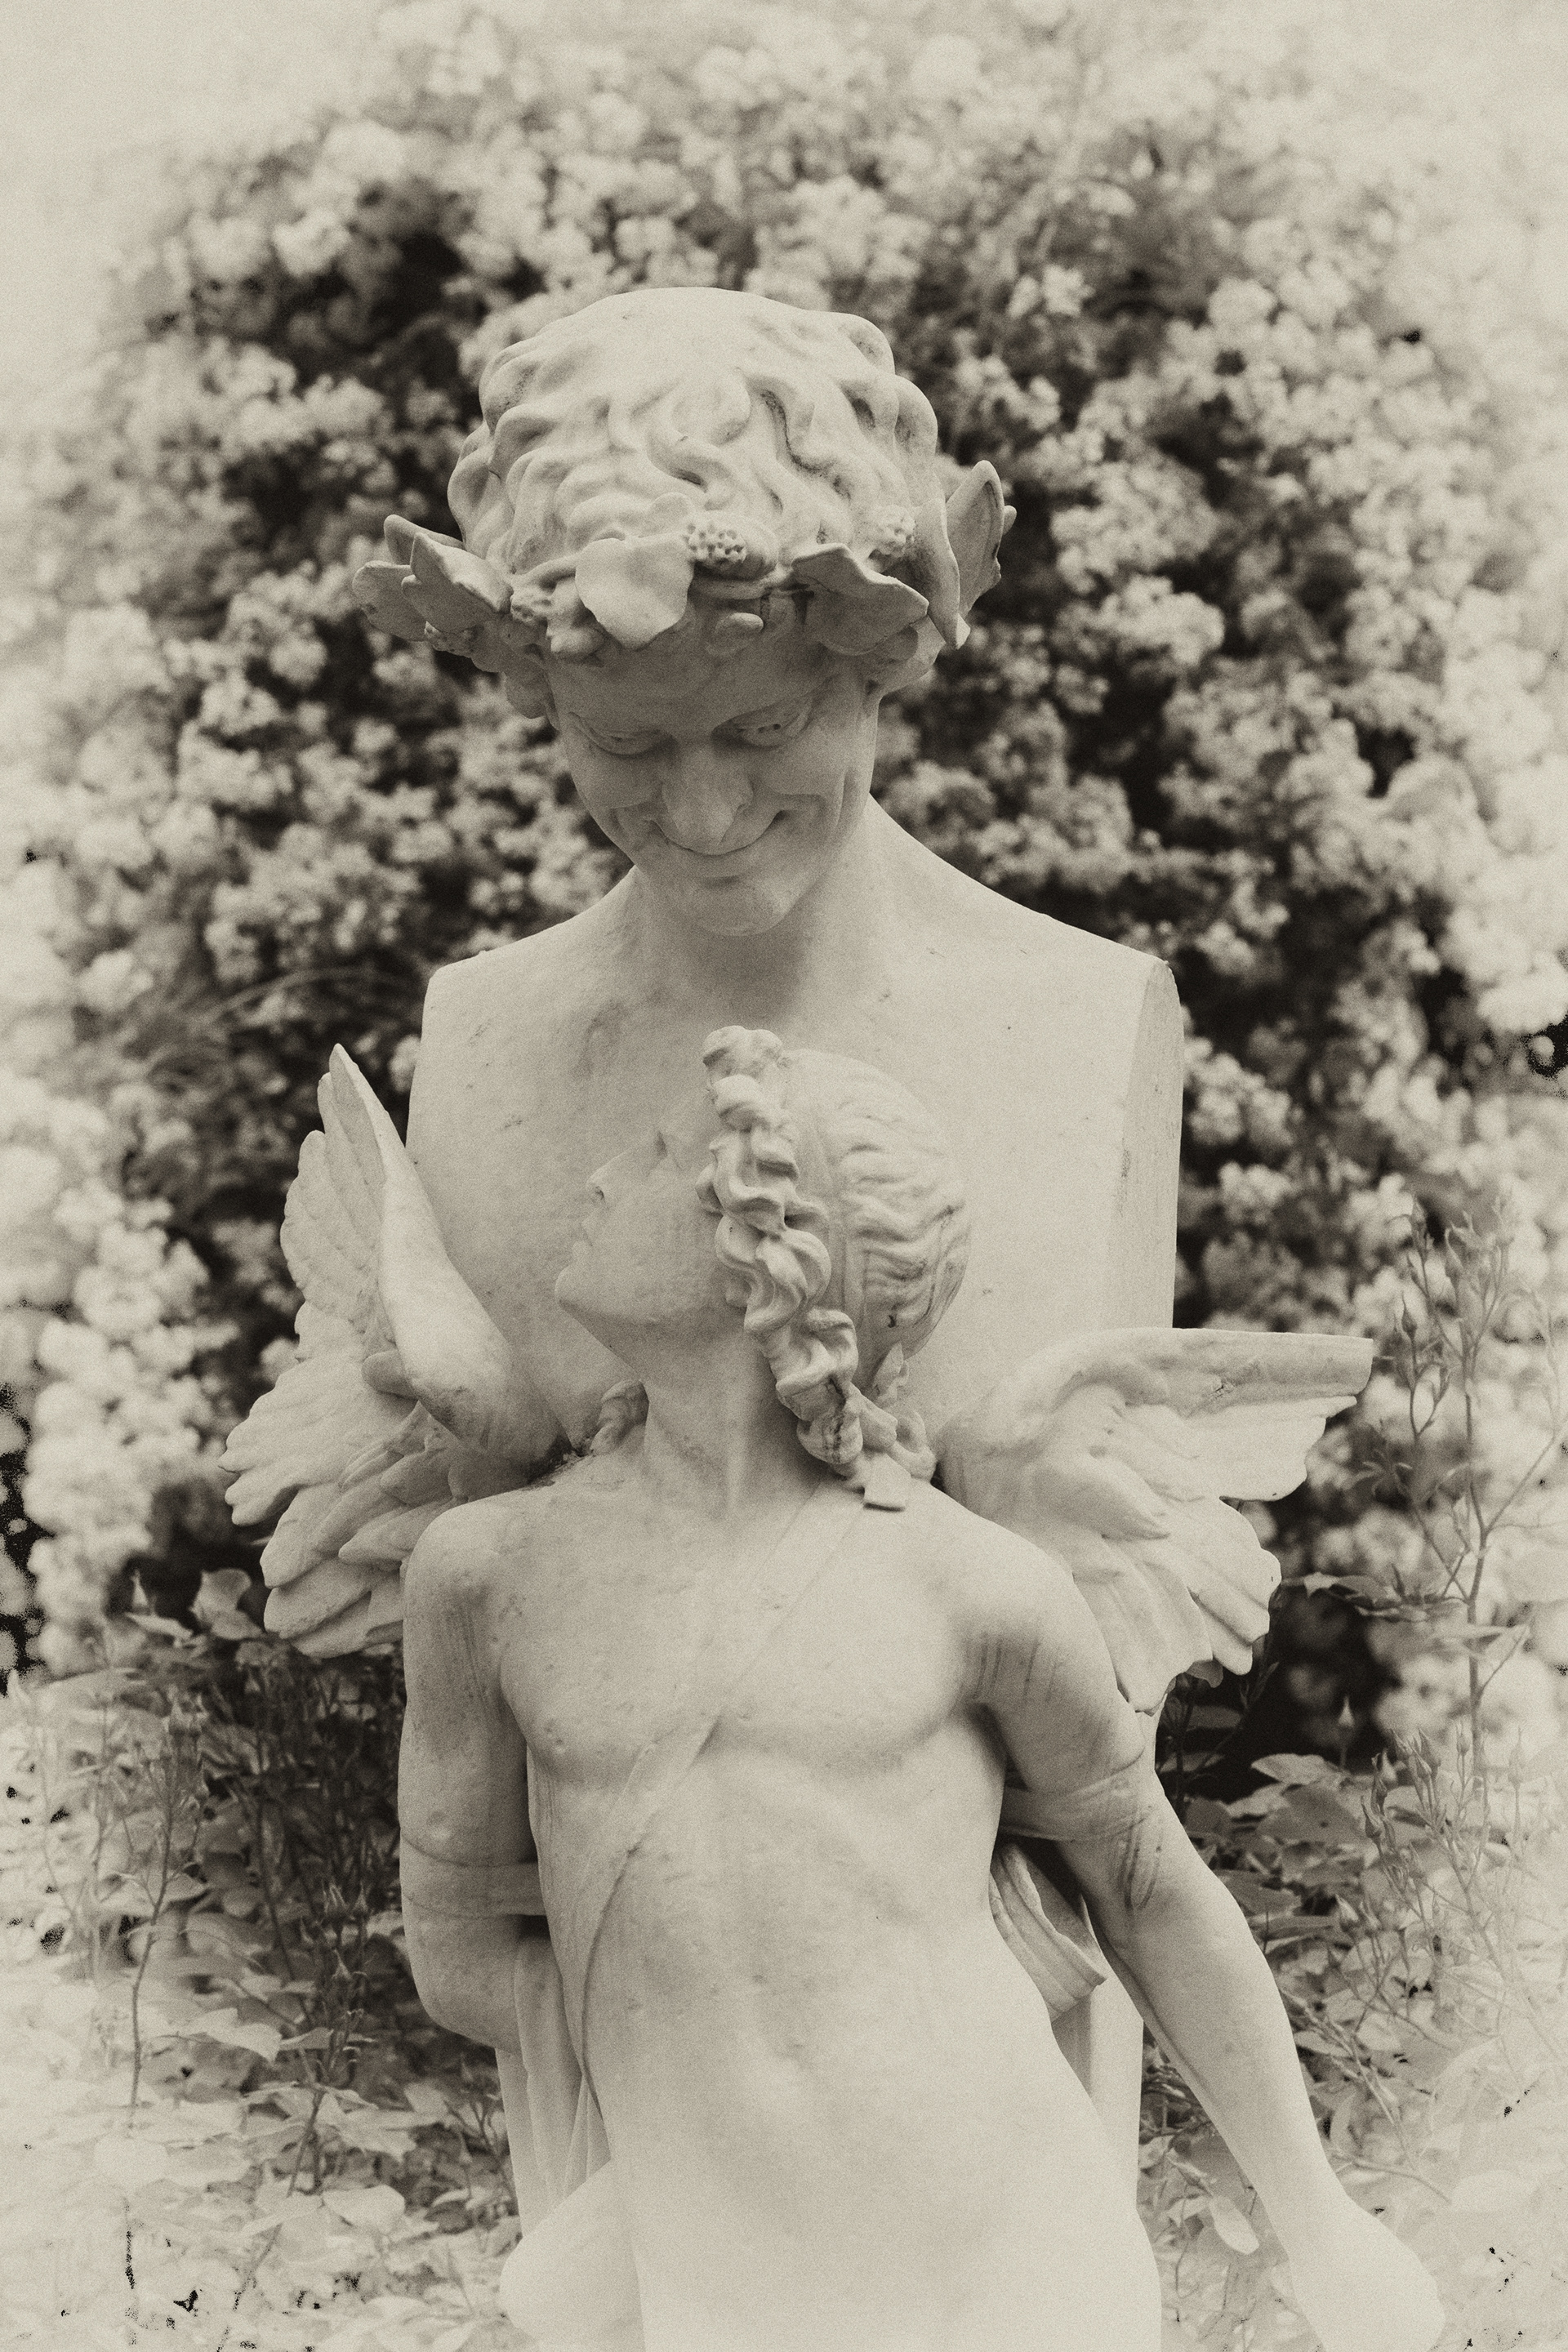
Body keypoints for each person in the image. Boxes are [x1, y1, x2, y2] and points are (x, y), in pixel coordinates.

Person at [397, 1027, 1444, 2352]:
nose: (602, 1176)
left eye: (659, 1154)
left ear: (772, 1248)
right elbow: (456, 1953)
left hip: (1003, 2251)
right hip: (713, 2267)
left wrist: (1321, 2223)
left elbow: (1149, 1891)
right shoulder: (492, 1576)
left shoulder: (965, 1585)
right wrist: (696, 2077)